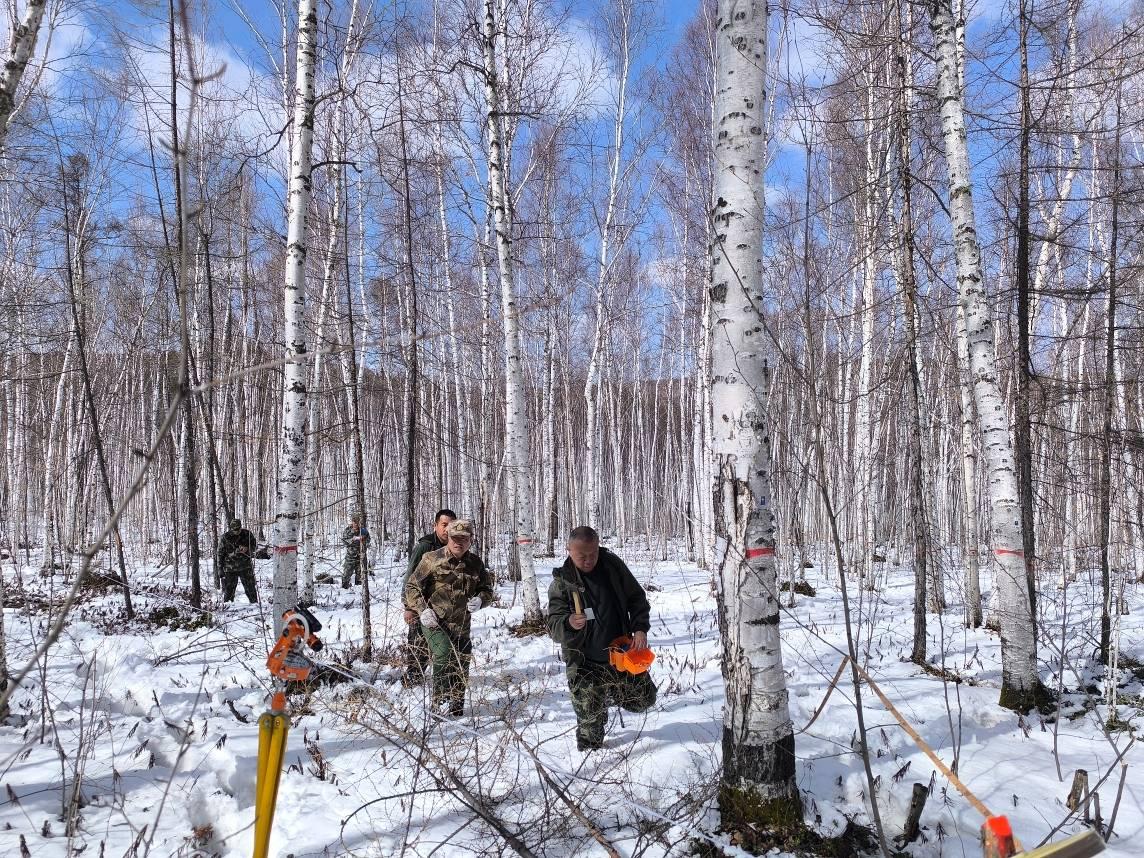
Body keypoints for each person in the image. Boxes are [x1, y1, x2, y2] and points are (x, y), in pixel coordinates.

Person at [546, 526, 655, 751]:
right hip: (585, 664)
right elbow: (553, 626)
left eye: (593, 554)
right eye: (582, 556)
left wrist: (640, 628)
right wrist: (568, 622)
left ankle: (608, 694)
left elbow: (637, 598)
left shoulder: (612, 567)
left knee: (645, 699)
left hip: (620, 656)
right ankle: (591, 742)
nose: (588, 560)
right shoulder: (562, 583)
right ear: (568, 550)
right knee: (591, 733)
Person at [404, 518, 493, 716]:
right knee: (444, 653)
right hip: (434, 621)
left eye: (464, 538)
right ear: (448, 538)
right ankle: (440, 702)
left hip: (461, 624)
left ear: (471, 540)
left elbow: (487, 590)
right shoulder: (431, 559)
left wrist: (481, 600)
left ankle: (456, 706)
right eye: (455, 538)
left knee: (462, 660)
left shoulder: (475, 563)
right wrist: (422, 609)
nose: (458, 542)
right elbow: (412, 587)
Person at [402, 509, 456, 686]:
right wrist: (409, 607)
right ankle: (413, 678)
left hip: (444, 606)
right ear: (435, 526)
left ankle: (446, 679)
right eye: (444, 525)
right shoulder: (425, 546)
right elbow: (410, 577)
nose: (447, 529)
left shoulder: (455, 546)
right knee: (419, 644)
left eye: (451, 525)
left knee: (445, 645)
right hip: (421, 604)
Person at [218, 518, 258, 603]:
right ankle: (228, 608)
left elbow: (254, 546)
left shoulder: (247, 534)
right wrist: (220, 568)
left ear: (240, 527)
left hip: (245, 567)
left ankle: (256, 606)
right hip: (230, 568)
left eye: (238, 529)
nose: (237, 531)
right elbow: (220, 554)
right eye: (235, 530)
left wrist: (247, 549)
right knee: (229, 592)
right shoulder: (225, 537)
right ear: (231, 529)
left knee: (251, 589)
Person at [340, 512, 371, 589]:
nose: (356, 524)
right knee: (346, 574)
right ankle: (344, 589)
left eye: (357, 523)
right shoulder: (348, 530)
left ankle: (359, 590)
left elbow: (368, 540)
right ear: (352, 522)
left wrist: (363, 540)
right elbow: (344, 541)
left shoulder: (363, 530)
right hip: (350, 556)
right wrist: (352, 539)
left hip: (361, 556)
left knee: (360, 575)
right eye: (355, 522)